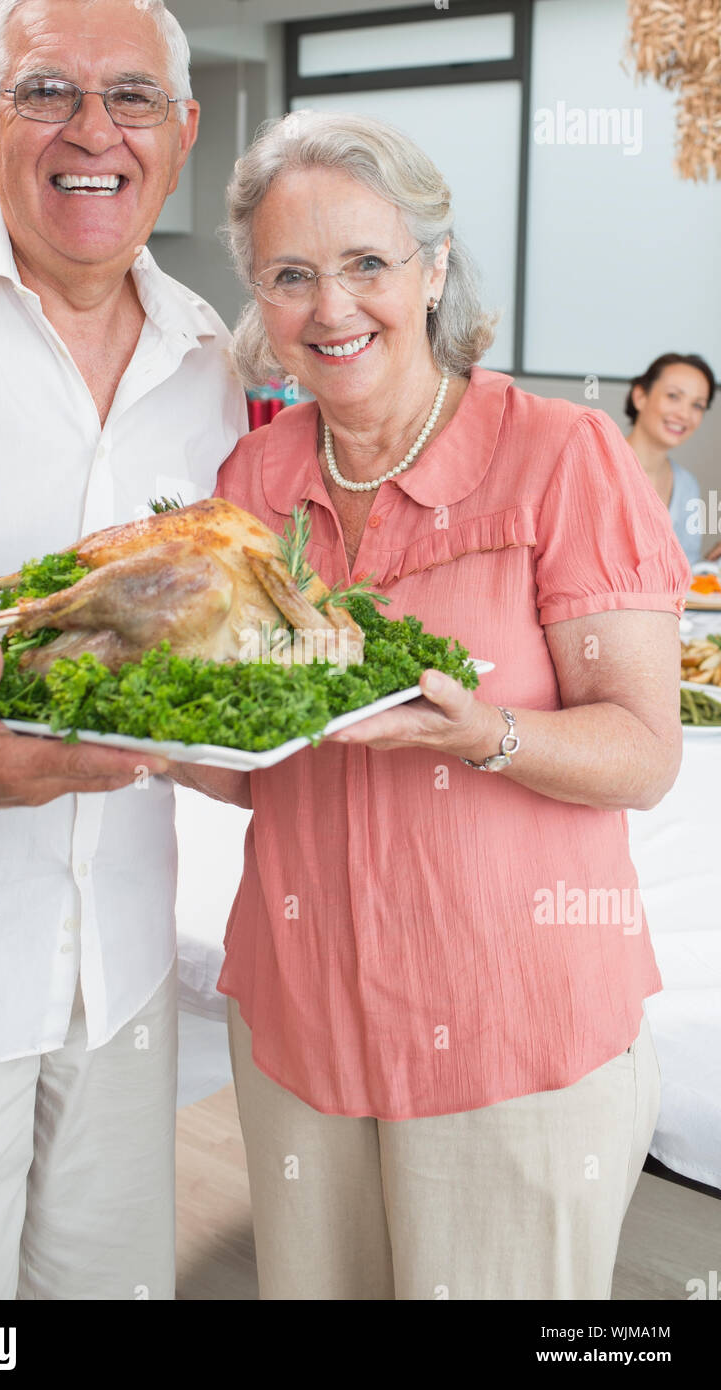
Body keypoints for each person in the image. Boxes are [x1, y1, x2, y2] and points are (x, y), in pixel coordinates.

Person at [210, 111, 690, 1300]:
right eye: (291, 276)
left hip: (507, 1033)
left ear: (432, 268)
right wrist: (142, 737)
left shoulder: (561, 458)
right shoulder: (254, 479)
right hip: (302, 1024)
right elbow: (259, 758)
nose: (333, 309)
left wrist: (492, 737)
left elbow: (642, 751)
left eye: (368, 263)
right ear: (258, 300)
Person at [0, 0, 247, 1300]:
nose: (95, 131)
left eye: (132, 97)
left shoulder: (211, 360)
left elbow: (201, 631)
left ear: (183, 133)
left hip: (120, 978)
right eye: (46, 94)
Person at [624, 353, 715, 569]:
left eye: (697, 406)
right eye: (673, 396)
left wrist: (710, 565)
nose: (684, 414)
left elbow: (683, 571)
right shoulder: (594, 466)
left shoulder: (687, 485)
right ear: (640, 397)